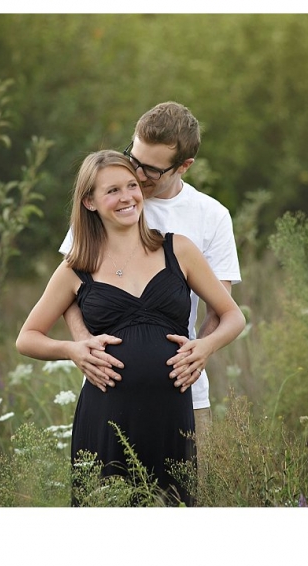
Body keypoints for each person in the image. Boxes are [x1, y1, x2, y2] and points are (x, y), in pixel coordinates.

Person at [17, 150, 246, 505]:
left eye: (131, 186)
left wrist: (205, 346)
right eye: (112, 191)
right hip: (104, 416)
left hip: (172, 414)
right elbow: (27, 338)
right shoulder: (76, 267)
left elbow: (233, 315)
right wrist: (72, 349)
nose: (127, 197)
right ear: (90, 202)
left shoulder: (178, 250)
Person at [59, 101, 241, 443]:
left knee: (188, 493)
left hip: (183, 394)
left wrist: (201, 349)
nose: (138, 176)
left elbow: (222, 306)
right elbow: (69, 288)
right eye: (134, 159)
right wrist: (82, 343)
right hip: (108, 393)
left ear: (184, 166)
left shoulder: (210, 216)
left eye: (151, 171)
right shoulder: (108, 197)